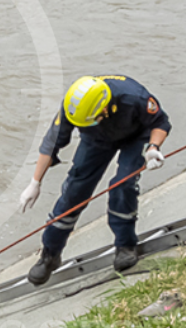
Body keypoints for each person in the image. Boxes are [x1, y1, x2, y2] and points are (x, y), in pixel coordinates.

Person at [19, 75, 171, 285]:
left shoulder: (133, 96)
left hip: (137, 136)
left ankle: (125, 245)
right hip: (97, 139)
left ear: (105, 108)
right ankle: (50, 255)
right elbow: (51, 145)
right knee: (75, 189)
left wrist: (153, 147)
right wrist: (35, 182)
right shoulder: (73, 107)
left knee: (123, 184)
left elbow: (160, 122)